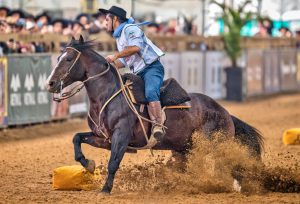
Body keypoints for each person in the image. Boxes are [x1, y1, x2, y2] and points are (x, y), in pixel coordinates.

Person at [99, 6, 165, 141]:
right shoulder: (120, 35)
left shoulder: (130, 29)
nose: (105, 23)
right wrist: (106, 65)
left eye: (107, 19)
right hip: (139, 73)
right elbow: (124, 62)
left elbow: (135, 48)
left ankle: (158, 125)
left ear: (115, 18)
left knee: (151, 92)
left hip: (152, 68)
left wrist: (115, 56)